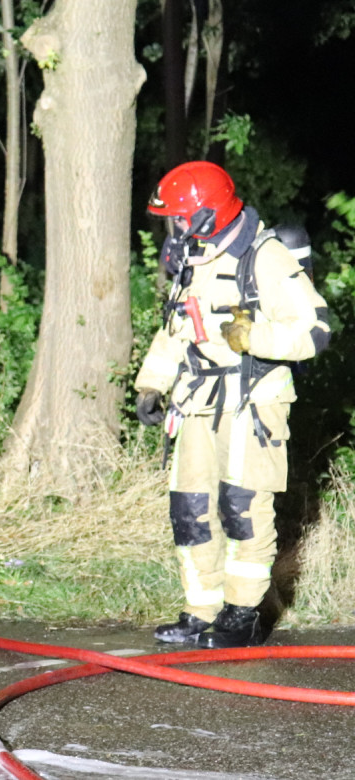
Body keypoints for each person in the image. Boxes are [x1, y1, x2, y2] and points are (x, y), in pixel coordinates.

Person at [134, 161, 329, 648]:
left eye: (178, 218)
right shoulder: (192, 259)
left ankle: (241, 615)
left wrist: (253, 337)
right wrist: (152, 383)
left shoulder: (263, 256)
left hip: (251, 402)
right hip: (196, 402)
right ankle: (202, 611)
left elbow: (315, 329)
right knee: (191, 508)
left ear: (205, 214)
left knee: (243, 508)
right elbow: (177, 327)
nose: (173, 228)